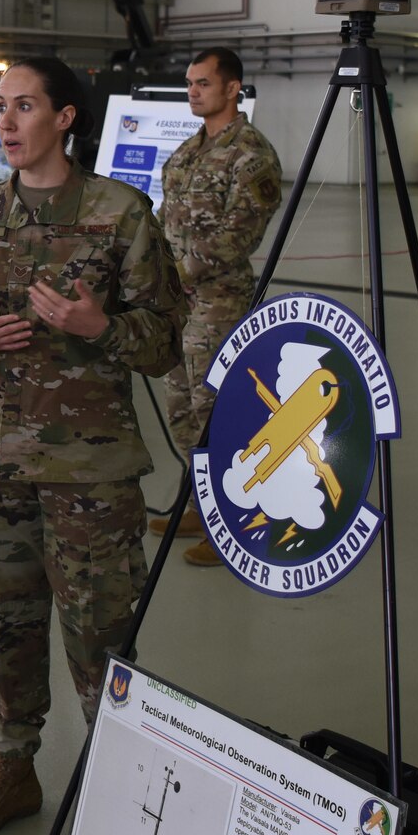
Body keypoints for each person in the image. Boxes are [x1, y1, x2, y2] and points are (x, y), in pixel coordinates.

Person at [0, 57, 185, 835]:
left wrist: (98, 328)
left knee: (102, 634)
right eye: (1, 106)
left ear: (65, 117)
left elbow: (165, 342)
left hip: (89, 475)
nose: (6, 122)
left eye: (24, 105)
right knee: (6, 621)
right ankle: (13, 768)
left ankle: (125, 794)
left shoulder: (121, 214)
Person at [151, 47, 282, 566]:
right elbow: (165, 222)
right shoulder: (187, 152)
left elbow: (239, 236)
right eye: (189, 83)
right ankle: (204, 508)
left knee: (219, 411)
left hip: (218, 305)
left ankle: (238, 524)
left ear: (233, 88)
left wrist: (180, 275)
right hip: (179, 305)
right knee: (181, 410)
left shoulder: (252, 154)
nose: (193, 91)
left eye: (203, 83)